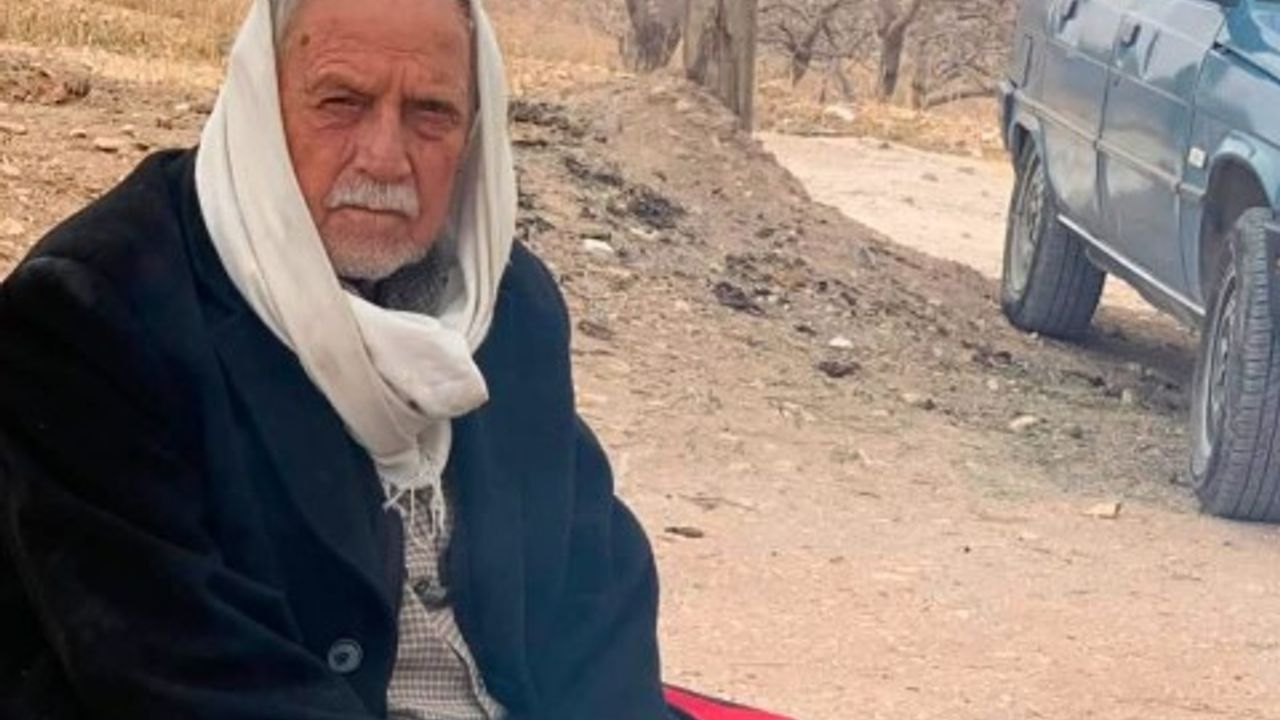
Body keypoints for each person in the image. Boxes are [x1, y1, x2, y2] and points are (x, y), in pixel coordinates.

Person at [0, 0, 670, 718]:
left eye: (431, 113)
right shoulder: (95, 311)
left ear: (474, 132)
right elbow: (182, 673)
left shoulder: (504, 303)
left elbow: (593, 600)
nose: (384, 157)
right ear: (263, 104)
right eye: (342, 103)